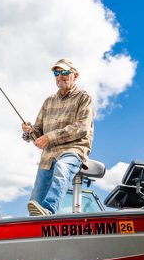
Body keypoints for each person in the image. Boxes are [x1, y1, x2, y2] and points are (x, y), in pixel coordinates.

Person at [21, 58, 94, 216]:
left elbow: (82, 128)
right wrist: (29, 131)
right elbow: (38, 133)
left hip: (73, 151)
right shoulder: (48, 101)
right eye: (56, 73)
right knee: (34, 203)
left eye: (64, 72)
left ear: (75, 75)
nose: (60, 76)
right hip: (48, 156)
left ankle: (49, 210)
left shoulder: (84, 97)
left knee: (62, 167)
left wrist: (50, 137)